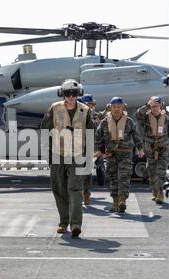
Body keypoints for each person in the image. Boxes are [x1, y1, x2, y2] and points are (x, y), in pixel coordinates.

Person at [41, 79, 94, 237]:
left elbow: (90, 135)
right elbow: (45, 131)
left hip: (78, 156)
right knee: (59, 190)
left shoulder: (86, 111)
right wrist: (48, 154)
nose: (71, 96)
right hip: (57, 155)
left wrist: (89, 158)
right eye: (67, 93)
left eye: (74, 93)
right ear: (62, 93)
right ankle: (63, 222)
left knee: (75, 189)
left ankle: (76, 224)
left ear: (79, 94)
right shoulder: (54, 108)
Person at [96, 97, 144, 213]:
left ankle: (122, 200)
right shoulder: (104, 122)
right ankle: (115, 202)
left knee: (124, 176)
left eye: (119, 107)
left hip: (125, 154)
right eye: (114, 107)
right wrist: (101, 152)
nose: (117, 110)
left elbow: (136, 136)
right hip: (111, 155)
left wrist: (140, 149)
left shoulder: (129, 121)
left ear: (123, 108)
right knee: (112, 178)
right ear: (110, 108)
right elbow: (99, 137)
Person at [141, 96, 169, 204]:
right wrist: (147, 105)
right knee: (152, 172)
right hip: (150, 149)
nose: (154, 109)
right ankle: (155, 190)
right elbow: (137, 114)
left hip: (163, 149)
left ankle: (161, 193)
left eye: (156, 106)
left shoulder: (167, 117)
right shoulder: (145, 117)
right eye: (152, 107)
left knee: (161, 172)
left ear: (161, 106)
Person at [77, 94, 97, 205]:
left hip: (87, 148)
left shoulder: (89, 116)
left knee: (87, 172)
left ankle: (86, 193)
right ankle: (79, 193)